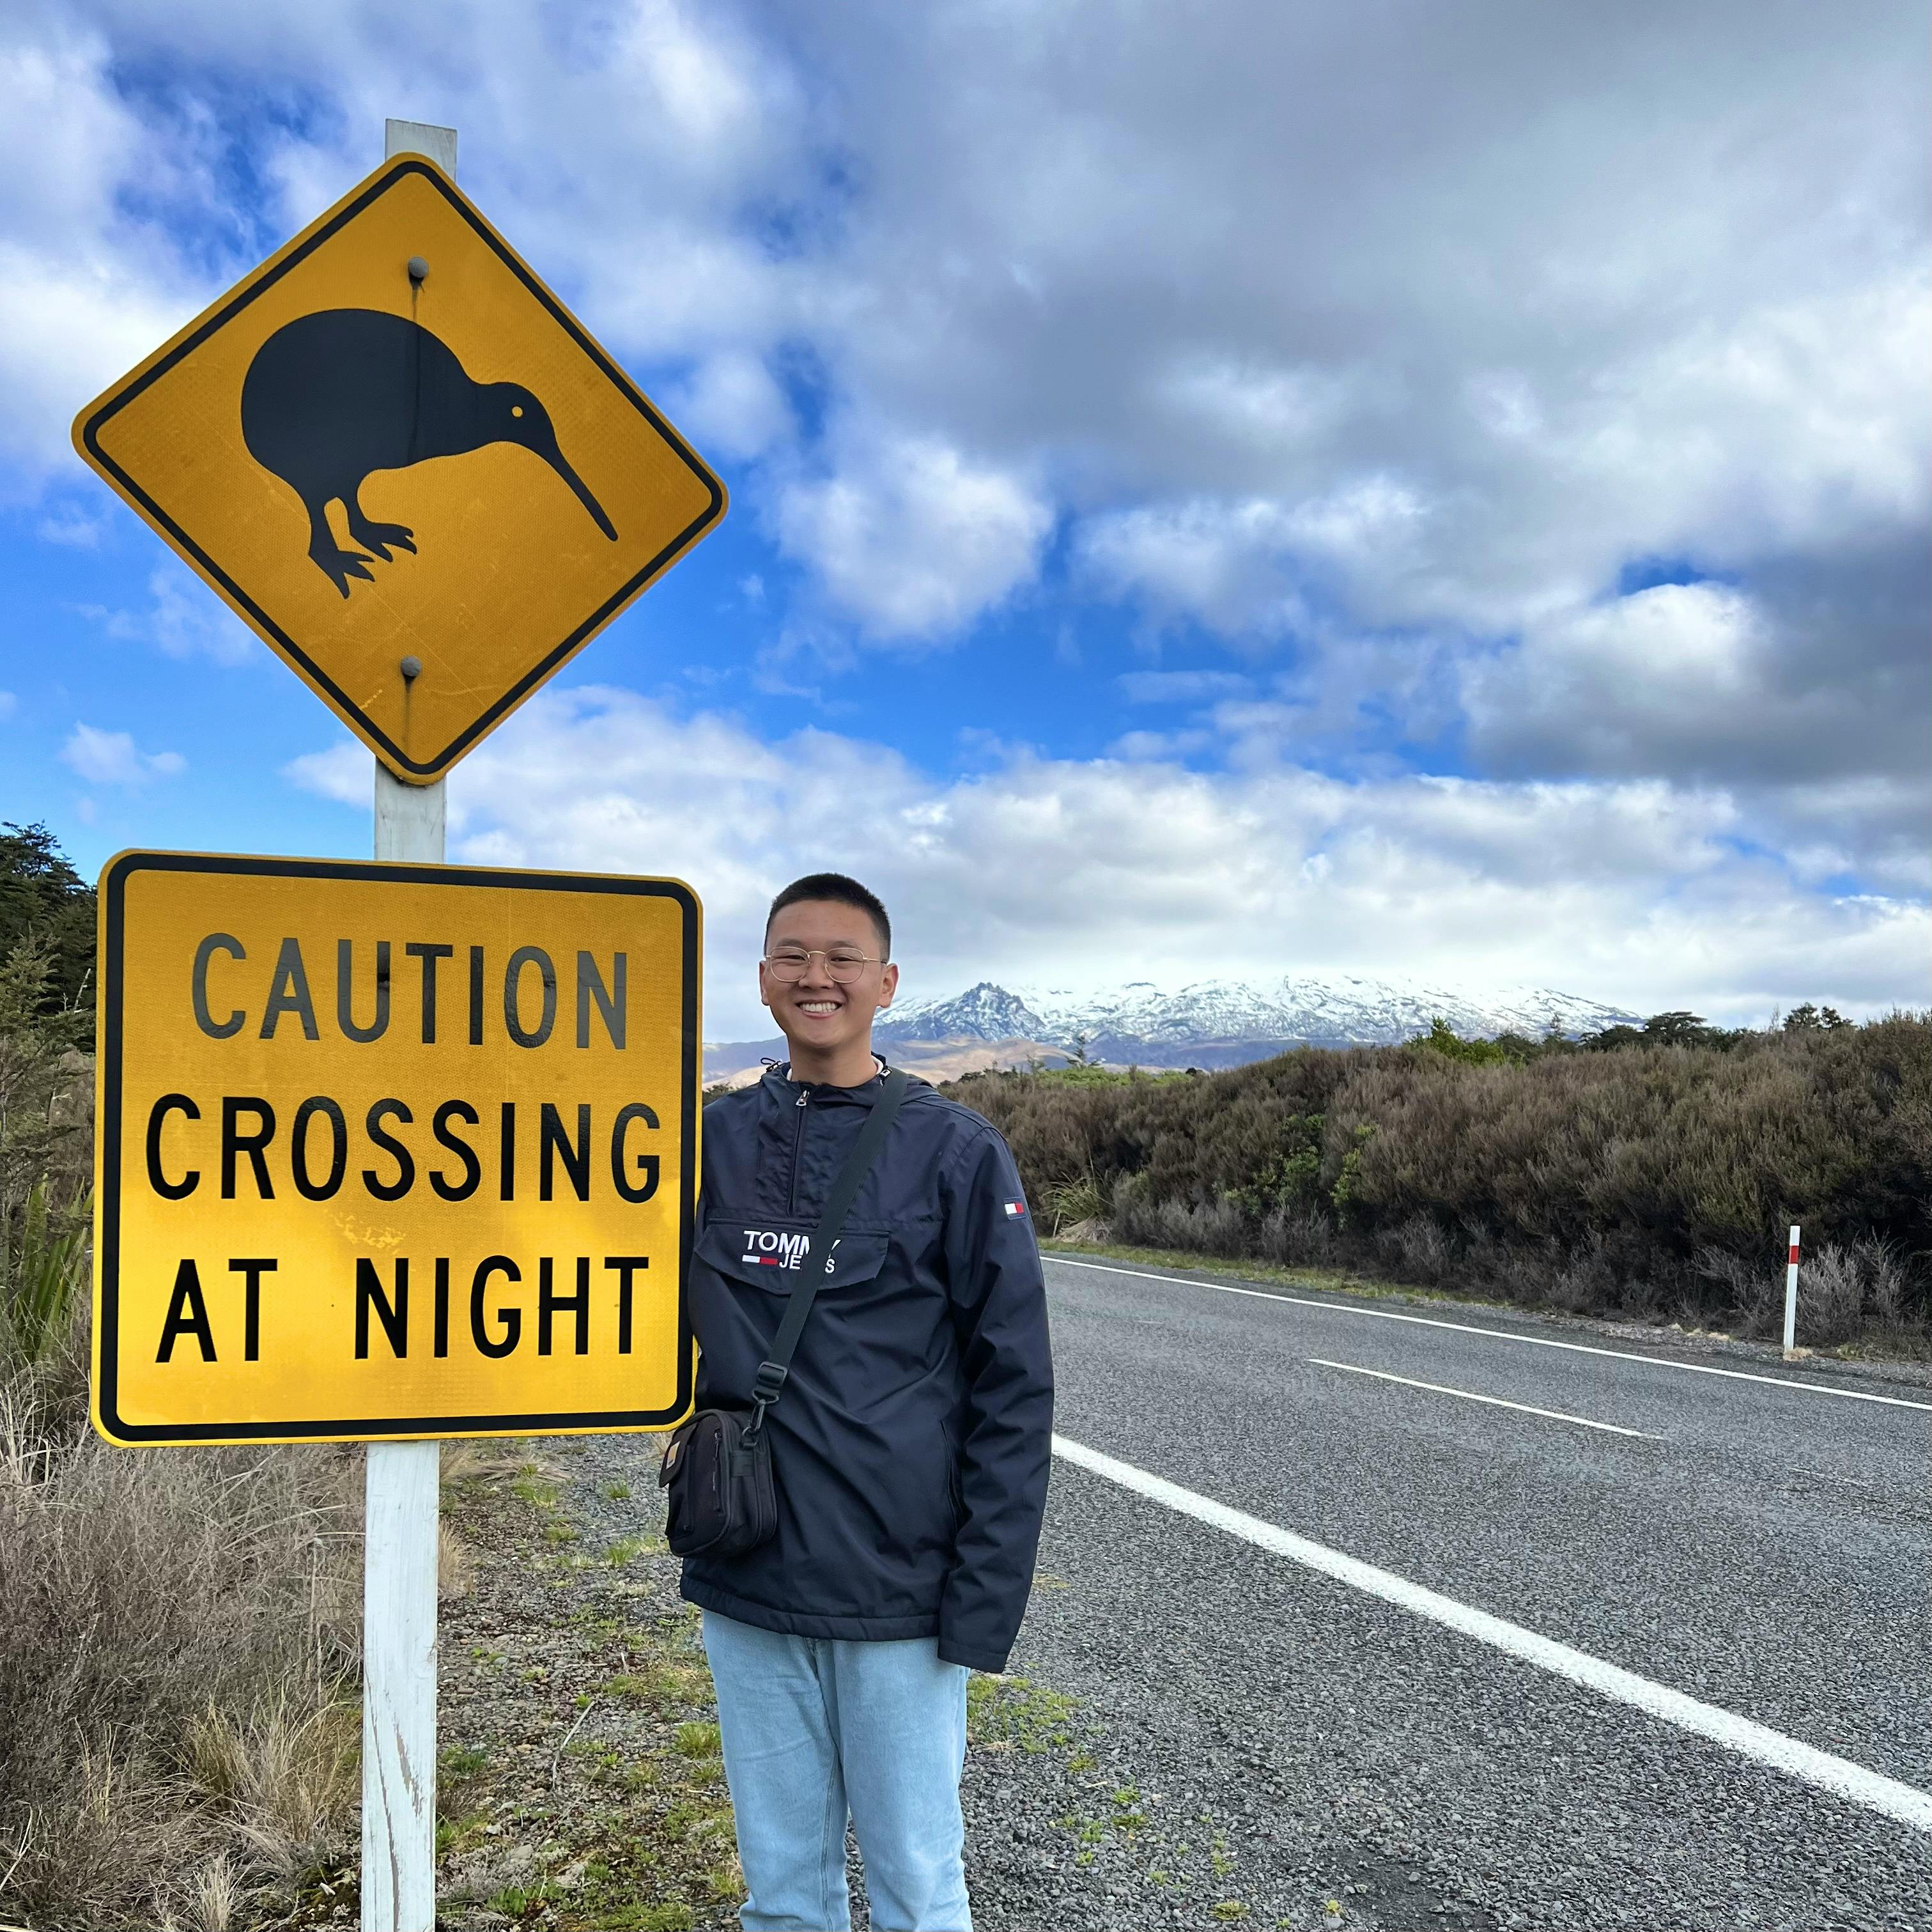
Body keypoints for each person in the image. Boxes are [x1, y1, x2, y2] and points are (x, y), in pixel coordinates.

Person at [683, 872, 1054, 1932]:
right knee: (785, 1899)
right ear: (761, 980)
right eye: (794, 957)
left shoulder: (958, 1154)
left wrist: (980, 1608)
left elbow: (1014, 1395)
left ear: (886, 982)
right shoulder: (712, 1146)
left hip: (901, 1602)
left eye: (843, 959)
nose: (818, 978)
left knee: (917, 1893)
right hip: (747, 1582)